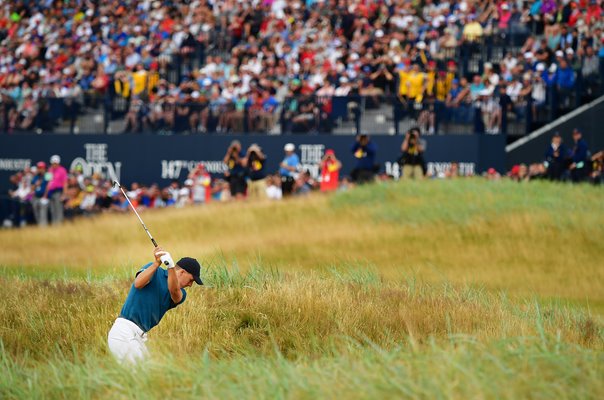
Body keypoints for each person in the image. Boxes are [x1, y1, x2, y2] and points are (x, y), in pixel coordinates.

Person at [108, 247, 203, 364]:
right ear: (182, 272)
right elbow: (138, 283)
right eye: (191, 280)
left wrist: (170, 267)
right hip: (124, 331)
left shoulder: (181, 293)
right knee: (139, 374)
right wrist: (156, 263)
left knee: (150, 374)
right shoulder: (155, 271)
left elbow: (173, 291)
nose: (190, 285)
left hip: (141, 336)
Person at [44, 155, 68, 225]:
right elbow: (48, 183)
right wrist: (45, 194)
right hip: (50, 193)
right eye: (53, 163)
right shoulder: (49, 170)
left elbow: (65, 183)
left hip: (58, 192)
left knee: (58, 209)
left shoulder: (63, 170)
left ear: (58, 163)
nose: (54, 165)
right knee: (52, 210)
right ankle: (54, 225)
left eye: (56, 163)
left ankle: (59, 225)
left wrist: (64, 194)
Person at [30, 161, 50, 226]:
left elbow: (49, 185)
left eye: (41, 168)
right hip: (36, 197)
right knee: (36, 212)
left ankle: (43, 227)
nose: (40, 169)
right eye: (38, 168)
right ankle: (39, 225)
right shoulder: (36, 176)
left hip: (45, 197)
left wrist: (45, 196)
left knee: (43, 212)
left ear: (44, 168)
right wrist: (36, 184)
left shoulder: (48, 175)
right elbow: (32, 188)